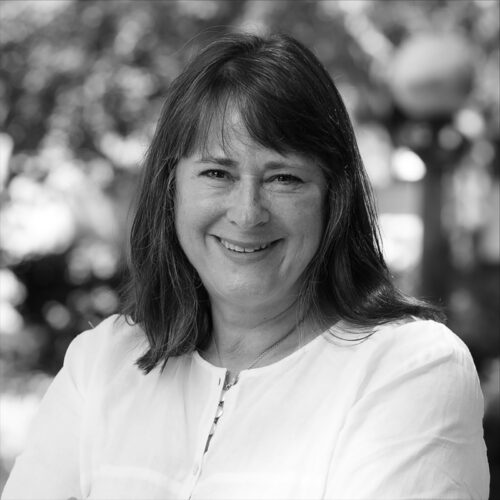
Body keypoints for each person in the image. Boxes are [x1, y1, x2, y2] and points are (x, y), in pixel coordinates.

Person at [3, 33, 489, 500]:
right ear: (171, 188)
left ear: (332, 199)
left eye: (284, 178)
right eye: (217, 173)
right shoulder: (102, 362)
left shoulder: (410, 367)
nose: (247, 213)